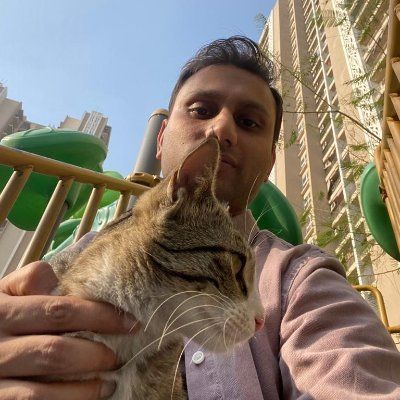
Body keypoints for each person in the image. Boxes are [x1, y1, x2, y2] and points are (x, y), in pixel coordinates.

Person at [0, 37, 399, 400]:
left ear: (270, 162)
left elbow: (357, 375)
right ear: (160, 139)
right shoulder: (81, 250)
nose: (222, 129)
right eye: (202, 110)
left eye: (248, 122)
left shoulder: (303, 277)